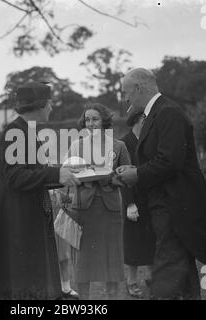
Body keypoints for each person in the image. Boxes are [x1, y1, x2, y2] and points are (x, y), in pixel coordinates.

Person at [117, 68, 206, 300]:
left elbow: (171, 161)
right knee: (181, 267)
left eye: (126, 92)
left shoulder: (167, 112)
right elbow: (161, 158)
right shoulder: (157, 113)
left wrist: (138, 174)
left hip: (175, 205)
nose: (126, 99)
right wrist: (135, 170)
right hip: (169, 203)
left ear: (139, 88)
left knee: (168, 267)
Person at [0, 81, 81, 300]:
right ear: (39, 105)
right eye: (49, 103)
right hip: (19, 215)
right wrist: (55, 175)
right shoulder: (15, 132)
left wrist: (61, 172)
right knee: (25, 270)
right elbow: (14, 176)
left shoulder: (25, 131)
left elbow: (34, 172)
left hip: (26, 211)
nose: (51, 108)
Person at [68, 103, 133, 300]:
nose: (90, 123)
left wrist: (112, 178)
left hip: (110, 208)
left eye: (94, 119)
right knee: (82, 264)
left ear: (104, 121)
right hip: (83, 209)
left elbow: (129, 177)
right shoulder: (76, 146)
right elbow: (67, 175)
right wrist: (80, 176)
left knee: (112, 263)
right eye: (87, 119)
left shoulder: (119, 146)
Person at [120, 111, 156, 298]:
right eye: (146, 120)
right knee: (133, 242)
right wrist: (129, 204)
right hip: (133, 198)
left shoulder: (149, 141)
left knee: (152, 237)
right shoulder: (125, 142)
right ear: (139, 120)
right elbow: (122, 175)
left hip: (150, 198)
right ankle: (131, 281)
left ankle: (152, 277)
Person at [50, 188, 78, 299]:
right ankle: (52, 289)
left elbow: (69, 198)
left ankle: (66, 288)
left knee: (64, 257)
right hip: (46, 227)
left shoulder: (57, 193)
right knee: (50, 259)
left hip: (60, 226)